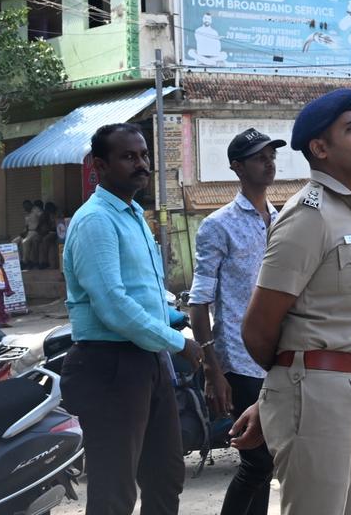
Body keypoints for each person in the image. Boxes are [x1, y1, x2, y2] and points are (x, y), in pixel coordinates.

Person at [240, 88, 351, 515]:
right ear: (320, 148)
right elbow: (259, 327)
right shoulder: (308, 216)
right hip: (319, 395)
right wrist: (287, 387)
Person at [60, 123, 205, 515]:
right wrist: (179, 343)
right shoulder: (96, 221)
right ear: (99, 167)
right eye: (128, 157)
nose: (141, 164)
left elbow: (144, 295)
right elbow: (113, 306)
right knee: (115, 490)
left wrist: (175, 318)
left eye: (143, 155)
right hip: (111, 366)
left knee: (166, 476)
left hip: (147, 362)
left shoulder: (133, 215)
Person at [189, 128, 285, 515]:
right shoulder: (218, 225)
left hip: (278, 357)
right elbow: (199, 303)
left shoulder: (281, 220)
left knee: (269, 460)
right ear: (237, 167)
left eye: (271, 155)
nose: (269, 162)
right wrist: (213, 370)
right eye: (260, 157)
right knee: (257, 461)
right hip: (240, 361)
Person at [15, 198, 42, 270]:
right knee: (14, 242)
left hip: (35, 231)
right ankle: (19, 261)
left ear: (30, 205)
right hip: (28, 231)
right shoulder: (27, 214)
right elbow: (26, 226)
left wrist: (39, 227)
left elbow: (42, 218)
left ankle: (25, 262)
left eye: (26, 206)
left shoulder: (36, 210)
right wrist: (22, 233)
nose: (25, 208)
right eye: (24, 207)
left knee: (25, 242)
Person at [34, 201, 59, 269]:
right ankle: (37, 262)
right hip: (46, 232)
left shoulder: (57, 214)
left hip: (56, 232)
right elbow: (39, 227)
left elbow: (58, 225)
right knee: (36, 240)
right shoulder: (45, 215)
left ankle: (45, 262)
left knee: (45, 240)